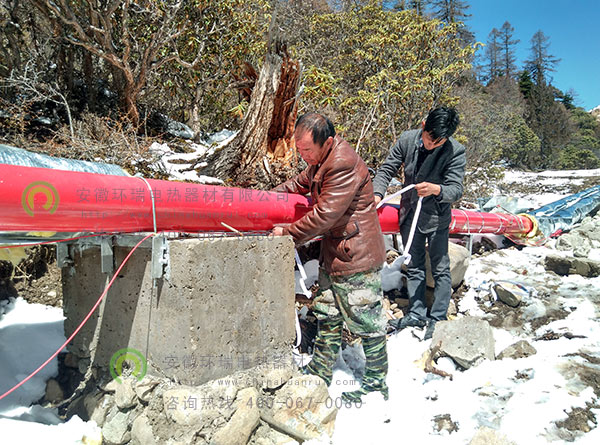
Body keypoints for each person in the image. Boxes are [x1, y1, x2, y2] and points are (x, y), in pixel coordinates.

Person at [272, 112, 389, 402]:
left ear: (327, 142)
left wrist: (287, 233)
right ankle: (322, 369)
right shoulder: (318, 162)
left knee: (367, 321)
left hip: (356, 256)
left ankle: (376, 383)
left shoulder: (341, 163)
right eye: (299, 150)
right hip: (336, 254)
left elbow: (325, 216)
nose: (303, 156)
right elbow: (297, 184)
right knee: (328, 313)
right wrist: (262, 199)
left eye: (307, 150)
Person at [372, 106, 465, 340]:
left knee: (441, 267)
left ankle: (438, 317)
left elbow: (456, 189)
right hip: (409, 213)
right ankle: (416, 312)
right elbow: (387, 169)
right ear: (424, 126)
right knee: (413, 265)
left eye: (439, 142)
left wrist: (437, 189)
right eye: (429, 139)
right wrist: (377, 193)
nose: (432, 145)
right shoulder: (407, 139)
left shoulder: (455, 151)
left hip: (436, 217)